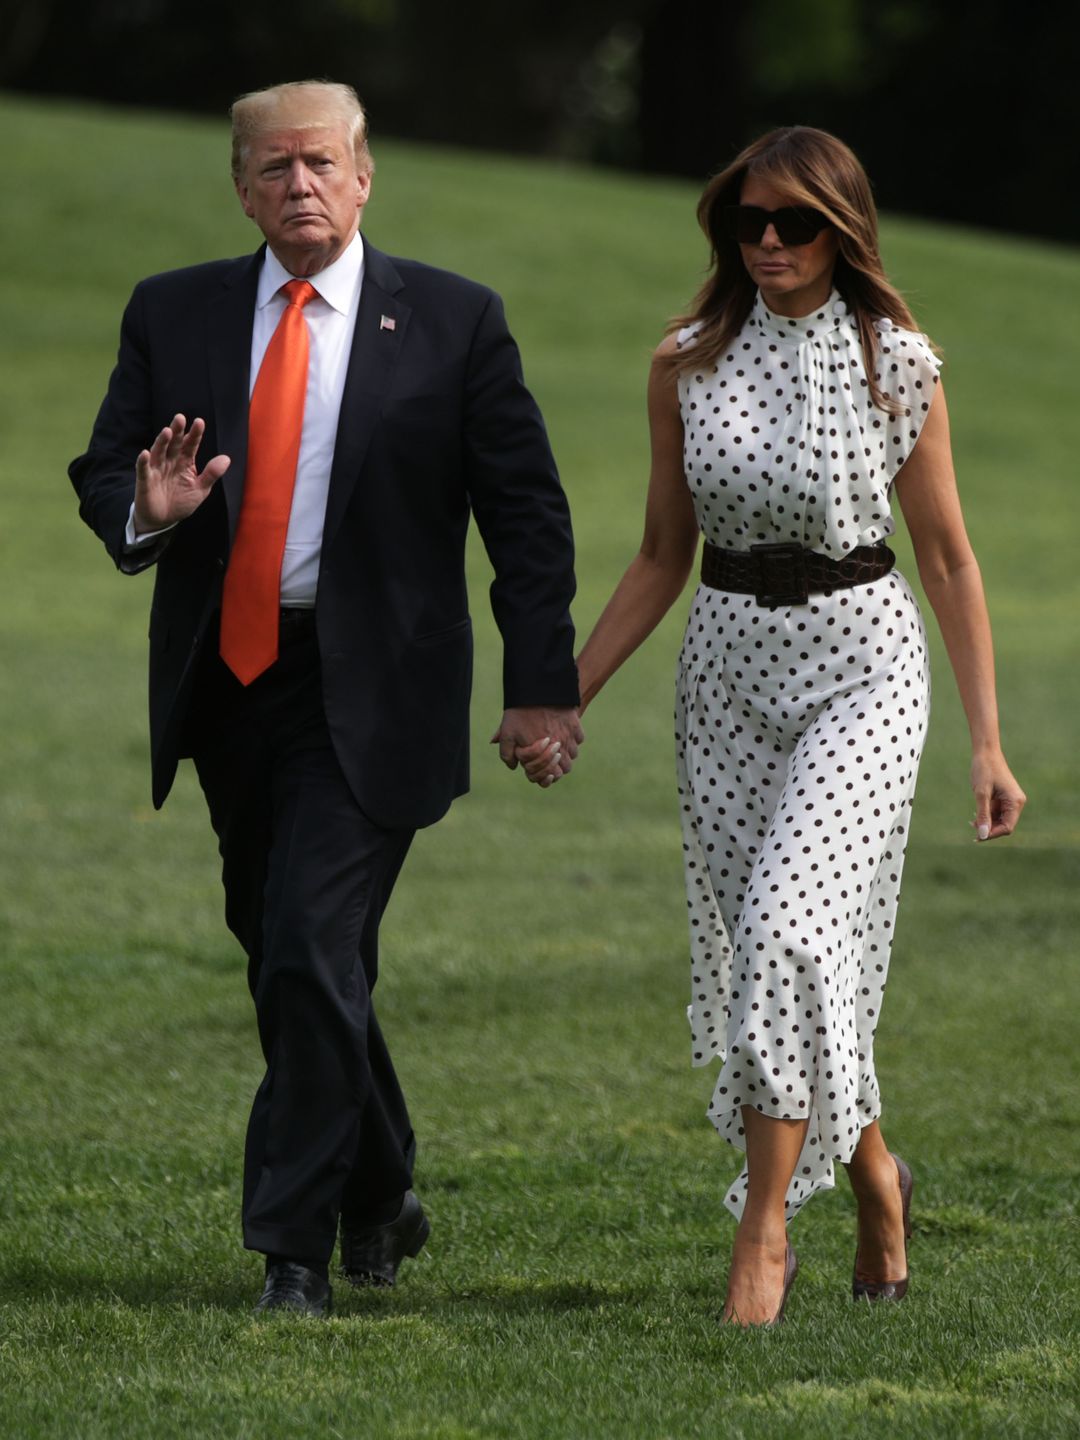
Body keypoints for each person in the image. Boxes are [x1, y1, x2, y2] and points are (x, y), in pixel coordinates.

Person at [70, 79, 582, 1317]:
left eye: (319, 164)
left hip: (381, 689)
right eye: (271, 169)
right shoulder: (174, 309)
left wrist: (541, 687)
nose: (297, 186)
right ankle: (382, 1189)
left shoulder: (455, 321)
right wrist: (150, 507)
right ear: (240, 187)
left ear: (363, 178)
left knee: (306, 945)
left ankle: (291, 1248)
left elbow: (525, 515)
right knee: (294, 956)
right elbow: (106, 470)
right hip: (231, 682)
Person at [574, 126, 1025, 1326]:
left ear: (844, 229)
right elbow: (663, 554)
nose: (769, 243)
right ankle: (879, 1179)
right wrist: (570, 691)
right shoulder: (683, 361)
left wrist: (986, 741)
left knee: (785, 937)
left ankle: (763, 1234)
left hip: (865, 670)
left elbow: (949, 558)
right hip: (724, 672)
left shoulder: (899, 362)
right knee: (792, 972)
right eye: (749, 222)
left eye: (796, 223)